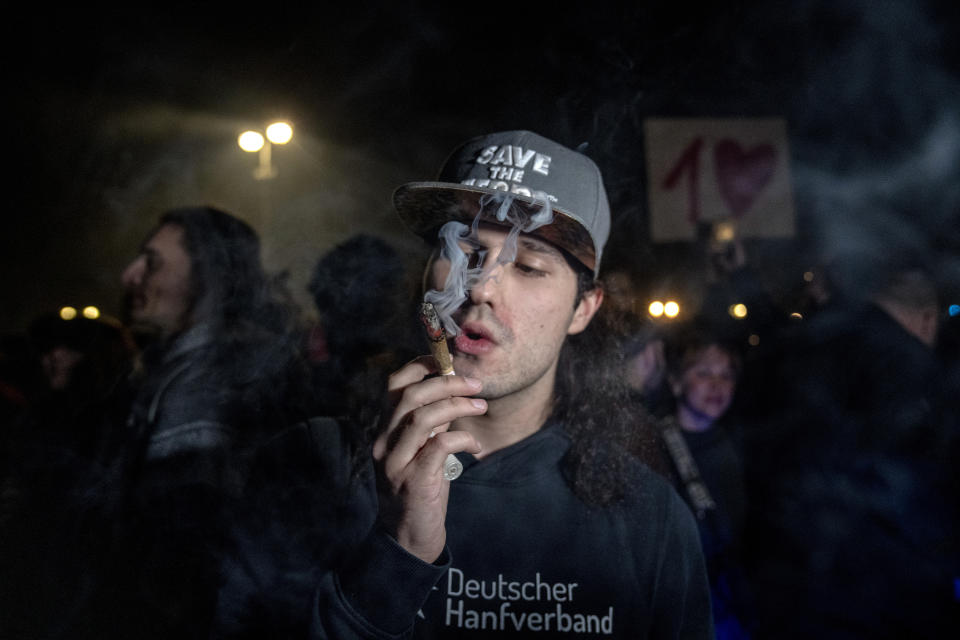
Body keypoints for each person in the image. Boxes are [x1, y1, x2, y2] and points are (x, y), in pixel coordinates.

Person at [302, 130, 713, 638]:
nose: (479, 286)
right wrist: (398, 552)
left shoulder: (650, 519)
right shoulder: (311, 464)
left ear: (583, 309)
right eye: (466, 247)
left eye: (529, 265)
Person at [740, 260, 960, 638]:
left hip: (798, 585)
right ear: (927, 319)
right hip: (888, 593)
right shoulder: (914, 373)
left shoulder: (810, 351)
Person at [659, 323, 753, 639]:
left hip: (729, 603)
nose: (716, 384)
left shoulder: (743, 446)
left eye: (726, 376)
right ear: (675, 383)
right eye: (703, 373)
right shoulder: (651, 445)